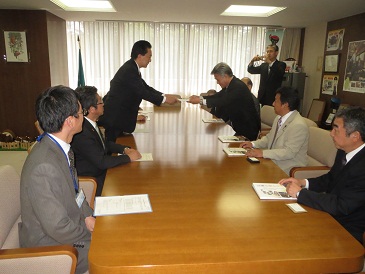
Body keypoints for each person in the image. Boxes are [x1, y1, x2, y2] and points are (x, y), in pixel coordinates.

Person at [19, 85, 95, 274]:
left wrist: (88, 216)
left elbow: (77, 191)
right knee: (109, 252)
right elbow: (58, 228)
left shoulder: (60, 147)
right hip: (50, 246)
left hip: (69, 227)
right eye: (81, 112)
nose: (83, 116)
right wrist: (92, 235)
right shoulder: (43, 167)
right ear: (70, 121)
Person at [279, 106, 365, 244]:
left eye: (336, 129)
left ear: (355, 136)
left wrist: (301, 194)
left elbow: (342, 206)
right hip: (329, 214)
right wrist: (303, 182)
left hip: (346, 230)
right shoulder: (344, 149)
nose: (331, 134)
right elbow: (331, 179)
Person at [99, 40, 178, 142]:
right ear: (140, 56)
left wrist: (164, 95)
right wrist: (164, 99)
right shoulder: (129, 70)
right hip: (116, 119)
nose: (150, 60)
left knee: (121, 146)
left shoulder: (132, 67)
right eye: (149, 56)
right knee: (114, 148)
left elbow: (146, 87)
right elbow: (142, 92)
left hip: (119, 118)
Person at [72, 86, 141, 196]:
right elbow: (102, 162)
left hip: (102, 172)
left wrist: (124, 149)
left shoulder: (90, 123)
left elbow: (104, 144)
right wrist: (128, 158)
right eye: (100, 102)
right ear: (92, 109)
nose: (104, 104)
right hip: (93, 181)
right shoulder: (82, 132)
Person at [240, 86, 308, 174]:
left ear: (285, 104)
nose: (273, 103)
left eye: (276, 101)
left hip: (287, 168)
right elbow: (269, 138)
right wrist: (253, 144)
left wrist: (262, 153)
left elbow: (288, 152)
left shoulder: (298, 125)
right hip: (272, 161)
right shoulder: (279, 118)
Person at [188, 62, 260, 141]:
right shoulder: (231, 85)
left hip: (247, 130)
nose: (217, 82)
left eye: (217, 79)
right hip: (238, 128)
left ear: (225, 76)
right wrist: (200, 97)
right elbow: (218, 95)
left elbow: (223, 101)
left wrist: (200, 100)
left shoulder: (238, 86)